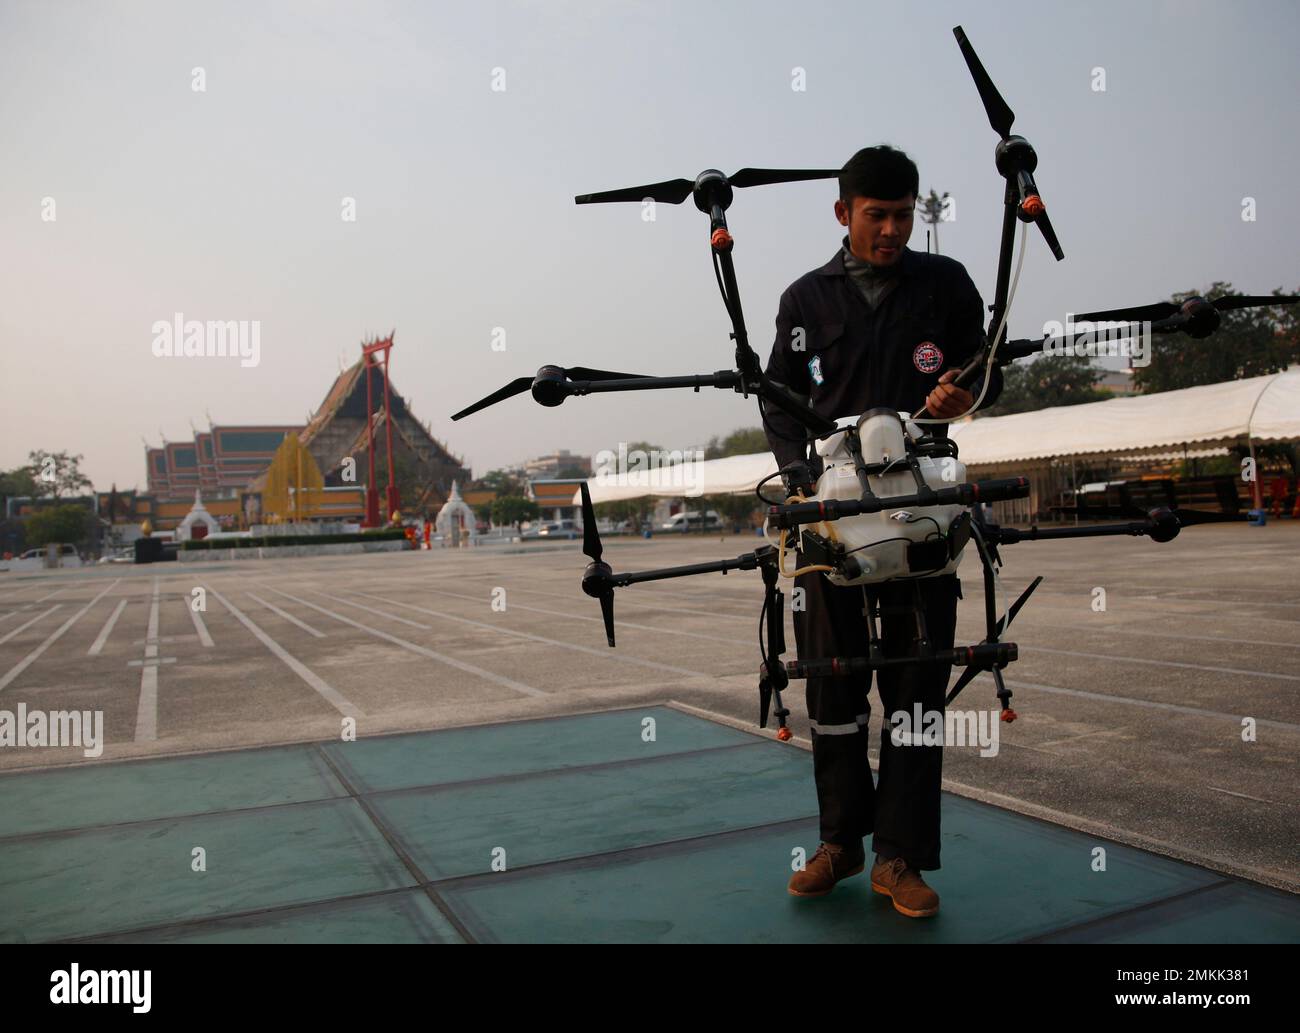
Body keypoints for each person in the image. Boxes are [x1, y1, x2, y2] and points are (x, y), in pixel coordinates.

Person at [762, 145, 1004, 918]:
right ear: (843, 214)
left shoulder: (947, 285)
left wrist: (967, 392)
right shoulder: (806, 301)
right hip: (830, 526)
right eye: (877, 216)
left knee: (916, 686)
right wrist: (803, 479)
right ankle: (841, 840)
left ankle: (899, 858)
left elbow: (986, 365)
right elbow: (778, 396)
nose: (894, 229)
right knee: (833, 683)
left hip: (923, 521)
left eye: (904, 214)